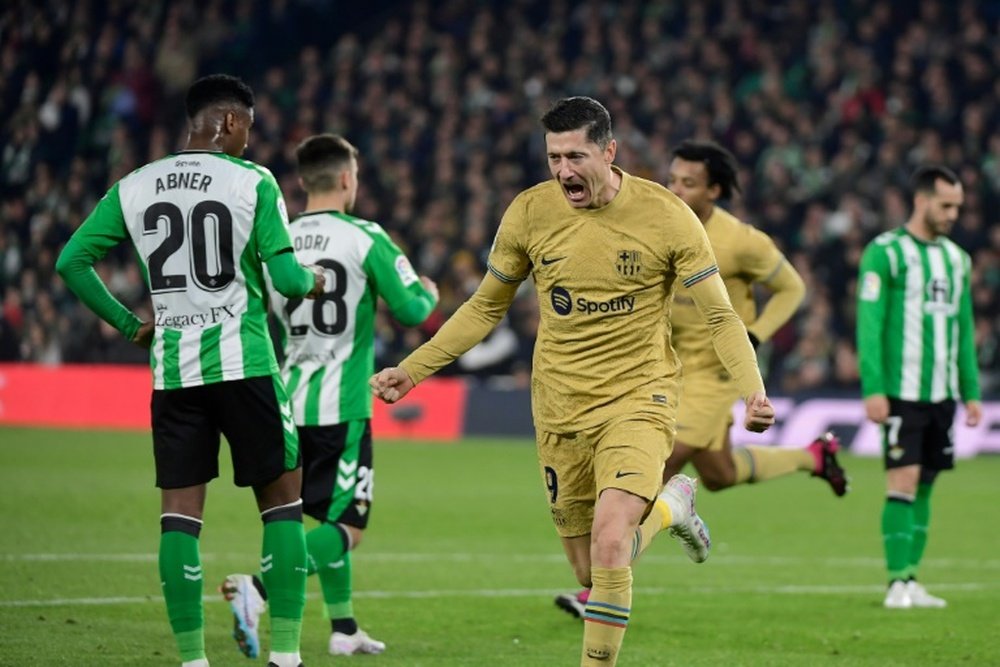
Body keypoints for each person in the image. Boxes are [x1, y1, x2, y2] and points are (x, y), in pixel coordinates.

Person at [370, 97, 775, 667]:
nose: (563, 171)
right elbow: (486, 308)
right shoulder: (530, 213)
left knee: (611, 544)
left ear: (609, 152)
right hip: (559, 405)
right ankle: (669, 510)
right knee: (593, 568)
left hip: (640, 398)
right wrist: (413, 370)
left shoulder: (666, 215)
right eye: (553, 157)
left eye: (575, 156)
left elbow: (719, 314)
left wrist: (752, 389)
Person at [55, 74, 324, 667]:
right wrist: (313, 280)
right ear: (228, 122)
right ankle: (285, 657)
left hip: (174, 373)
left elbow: (71, 261)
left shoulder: (135, 185)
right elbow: (287, 280)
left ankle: (192, 660)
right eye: (248, 129)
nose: (250, 142)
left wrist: (130, 326)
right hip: (245, 364)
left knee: (179, 516)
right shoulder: (254, 181)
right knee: (282, 503)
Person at [554, 139, 848, 618]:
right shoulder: (661, 221)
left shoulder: (743, 241)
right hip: (665, 364)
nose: (675, 189)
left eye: (688, 183)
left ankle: (599, 588)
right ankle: (814, 456)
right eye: (672, 179)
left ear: (714, 190)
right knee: (721, 474)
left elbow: (792, 286)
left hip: (715, 372)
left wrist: (756, 334)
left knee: (654, 467)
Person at [221, 134, 439, 657]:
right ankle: (257, 589)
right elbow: (412, 312)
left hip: (288, 400)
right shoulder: (365, 236)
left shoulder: (276, 239)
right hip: (343, 406)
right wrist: (428, 290)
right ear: (347, 179)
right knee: (347, 526)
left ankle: (343, 627)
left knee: (301, 517)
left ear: (301, 181)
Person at [857, 165, 982, 609]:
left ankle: (912, 579)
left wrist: (971, 390)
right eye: (946, 205)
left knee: (926, 483)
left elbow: (963, 329)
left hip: (942, 394)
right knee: (903, 481)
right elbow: (869, 326)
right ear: (922, 200)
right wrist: (873, 388)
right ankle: (895, 581)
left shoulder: (957, 260)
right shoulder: (885, 253)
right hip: (900, 391)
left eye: (958, 207)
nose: (953, 214)